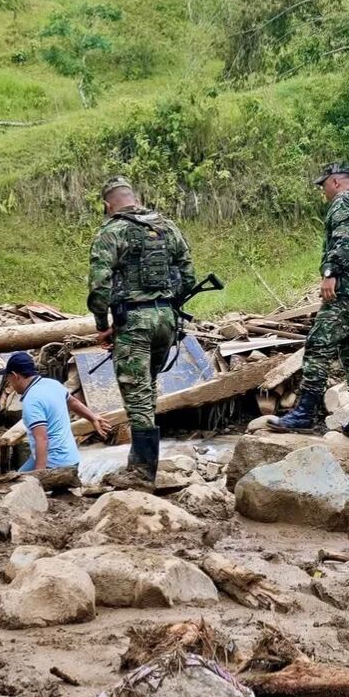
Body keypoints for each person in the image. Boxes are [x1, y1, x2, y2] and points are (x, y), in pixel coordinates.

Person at [271, 161, 349, 437]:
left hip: (346, 286)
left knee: (318, 345)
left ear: (336, 181)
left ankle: (303, 414)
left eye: (324, 185)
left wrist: (331, 272)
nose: (323, 191)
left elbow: (344, 238)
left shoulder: (343, 202)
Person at [87, 175, 196, 488]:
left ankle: (142, 473)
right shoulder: (168, 227)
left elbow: (99, 286)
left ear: (108, 205)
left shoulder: (112, 231)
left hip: (134, 323)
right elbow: (188, 276)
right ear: (133, 196)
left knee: (136, 397)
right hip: (167, 321)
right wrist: (168, 306)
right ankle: (140, 463)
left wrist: (101, 325)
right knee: (146, 388)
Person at [3, 351, 110, 472]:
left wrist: (40, 474)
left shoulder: (31, 400)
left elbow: (42, 439)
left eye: (9, 379)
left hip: (54, 463)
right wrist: (93, 418)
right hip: (72, 458)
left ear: (15, 375)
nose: (10, 384)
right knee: (22, 472)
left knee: (19, 484)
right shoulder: (53, 384)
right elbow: (73, 402)